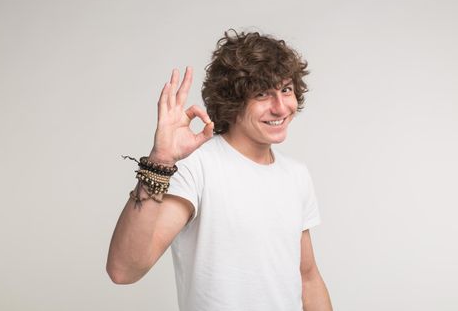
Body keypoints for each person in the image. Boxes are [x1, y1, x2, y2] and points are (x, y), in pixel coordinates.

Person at [106, 30, 332, 311]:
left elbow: (307, 278)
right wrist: (161, 160)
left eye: (286, 89)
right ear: (233, 101)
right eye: (262, 94)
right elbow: (124, 269)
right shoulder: (198, 165)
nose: (280, 107)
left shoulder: (296, 175)